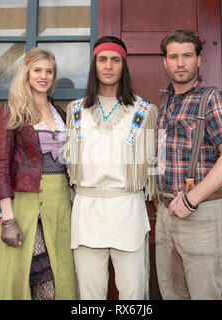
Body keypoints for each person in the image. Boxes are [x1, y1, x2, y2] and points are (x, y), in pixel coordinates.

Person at [64, 36, 158, 300]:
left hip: (128, 210)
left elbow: (152, 168)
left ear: (123, 65)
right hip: (87, 210)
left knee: (133, 292)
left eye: (115, 60)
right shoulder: (75, 111)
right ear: (94, 65)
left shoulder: (145, 111)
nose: (108, 66)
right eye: (102, 60)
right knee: (90, 295)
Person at [155, 29, 222, 300]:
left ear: (199, 61)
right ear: (165, 62)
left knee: (205, 295)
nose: (180, 62)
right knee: (172, 294)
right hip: (166, 212)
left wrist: (192, 199)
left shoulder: (214, 99)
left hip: (201, 213)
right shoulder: (166, 105)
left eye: (187, 55)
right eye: (173, 56)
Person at [0, 47, 77, 300]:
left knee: (59, 274)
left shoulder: (61, 114)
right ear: (26, 73)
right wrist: (8, 220)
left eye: (49, 71)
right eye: (37, 70)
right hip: (25, 205)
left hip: (60, 205)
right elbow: (0, 166)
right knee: (38, 273)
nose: (43, 76)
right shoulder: (12, 110)